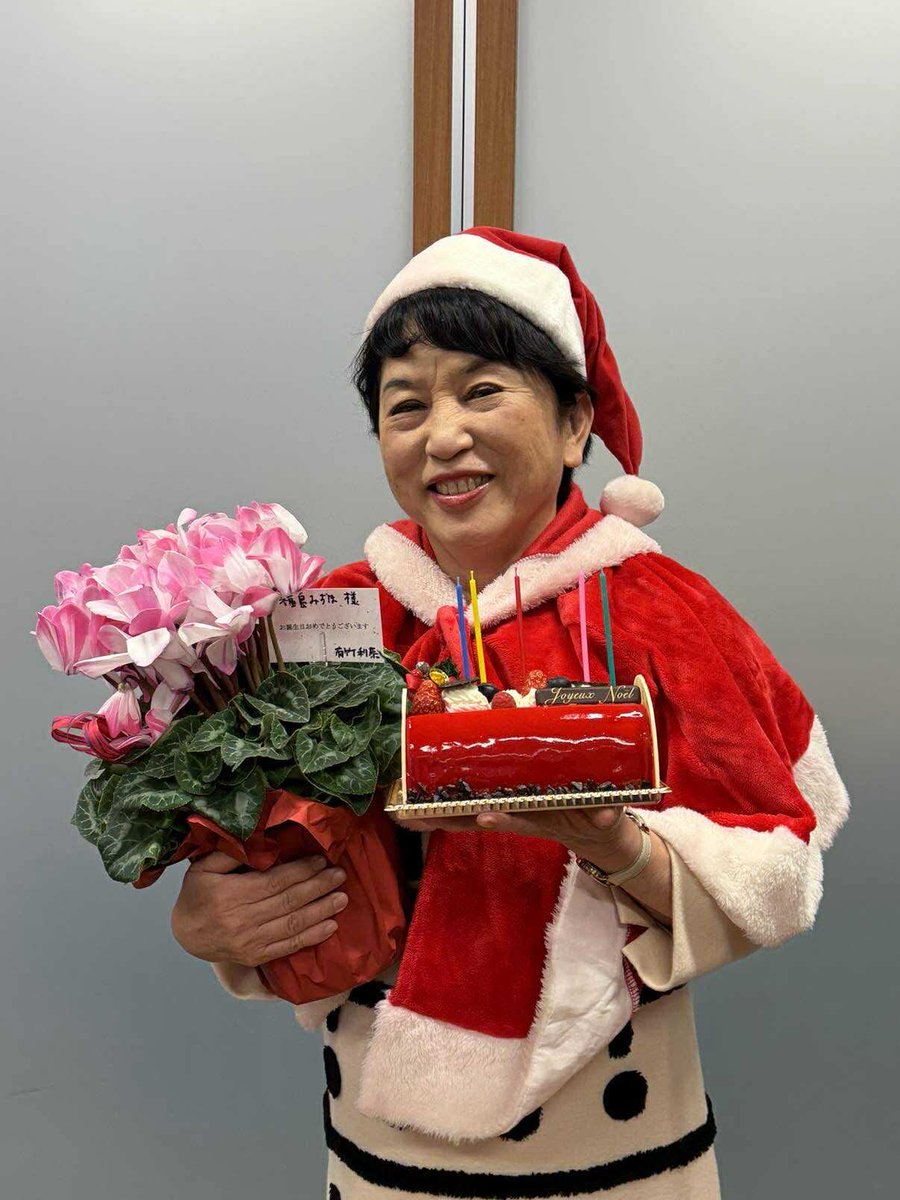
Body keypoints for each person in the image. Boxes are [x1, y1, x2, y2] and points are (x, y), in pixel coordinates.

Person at [170, 228, 849, 1198]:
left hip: (616, 1150)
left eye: (482, 391)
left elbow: (775, 875)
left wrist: (619, 845)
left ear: (575, 423)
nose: (442, 435)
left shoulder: (664, 612)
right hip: (376, 1148)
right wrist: (210, 921)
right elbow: (268, 846)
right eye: (406, 406)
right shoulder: (333, 616)